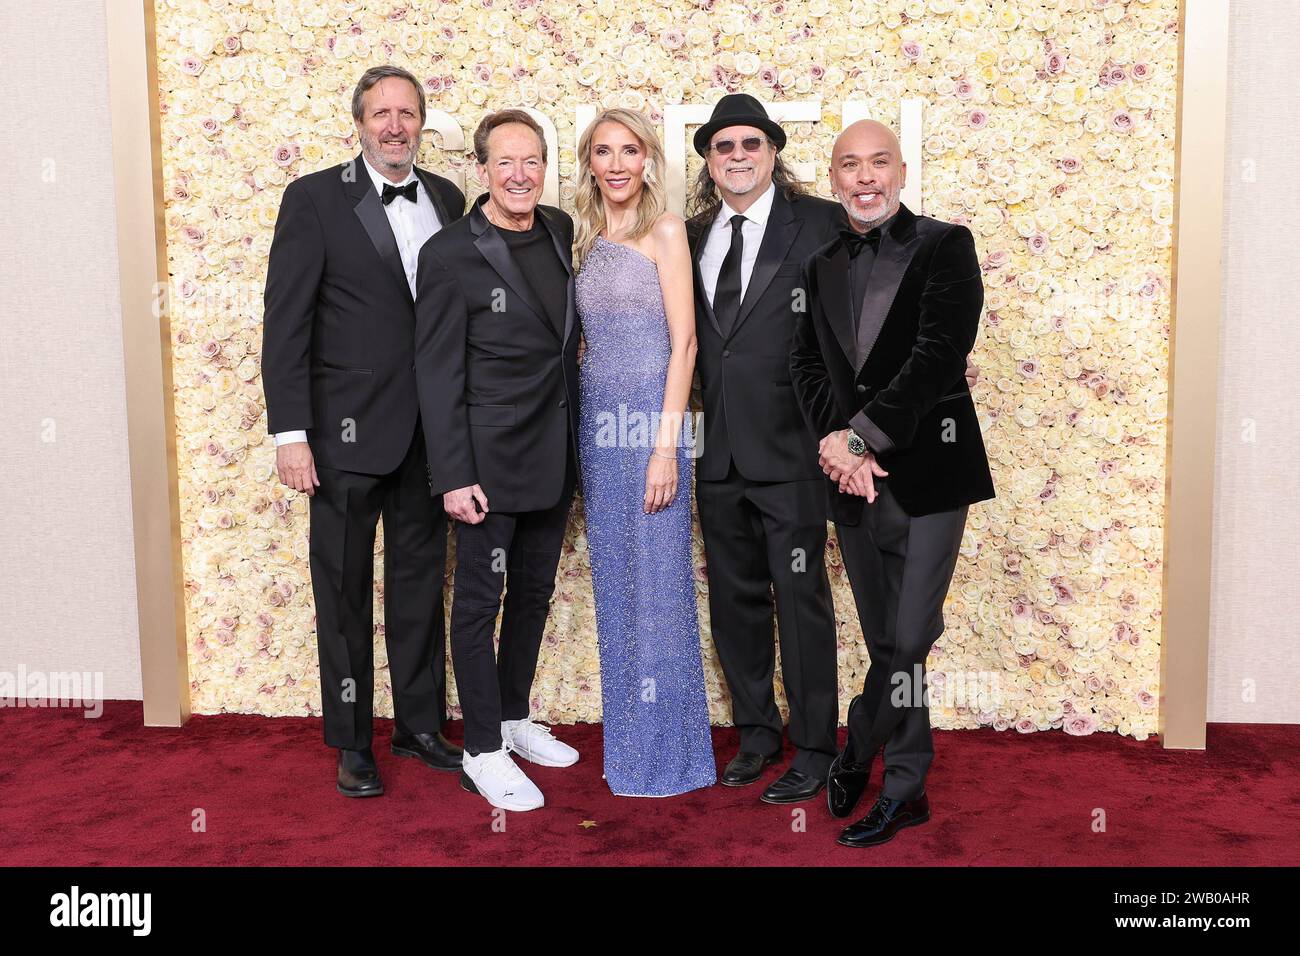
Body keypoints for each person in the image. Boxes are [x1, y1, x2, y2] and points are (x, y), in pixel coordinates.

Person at [790, 120, 996, 847]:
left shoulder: (946, 244)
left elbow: (942, 353)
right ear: (834, 177)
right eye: (850, 165)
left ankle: (868, 753)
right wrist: (840, 447)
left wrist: (861, 436)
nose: (865, 177)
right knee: (887, 642)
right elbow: (807, 367)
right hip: (853, 484)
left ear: (902, 170)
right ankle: (901, 778)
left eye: (879, 162)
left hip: (932, 475)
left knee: (910, 637)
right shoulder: (818, 266)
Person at [262, 66, 466, 798]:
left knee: (418, 587)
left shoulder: (445, 196)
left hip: (428, 439)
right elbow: (286, 322)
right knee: (343, 593)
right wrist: (290, 434)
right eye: (381, 113)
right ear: (359, 123)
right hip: (341, 439)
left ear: (421, 122)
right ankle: (352, 742)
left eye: (407, 113)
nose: (395, 126)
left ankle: (418, 727)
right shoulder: (314, 198)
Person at [414, 110, 580, 812]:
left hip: (553, 454)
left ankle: (514, 716)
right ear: (482, 170)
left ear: (546, 168)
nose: (520, 175)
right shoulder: (451, 252)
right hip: (485, 465)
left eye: (533, 161)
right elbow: (436, 371)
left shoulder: (560, 231)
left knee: (535, 594)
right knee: (482, 604)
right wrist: (452, 474)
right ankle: (483, 749)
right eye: (506, 162)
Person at [684, 94, 847, 804]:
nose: (739, 155)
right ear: (710, 162)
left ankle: (814, 746)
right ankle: (757, 733)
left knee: (801, 599)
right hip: (716, 453)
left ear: (773, 152)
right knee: (735, 599)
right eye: (724, 146)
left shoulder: (819, 224)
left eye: (751, 142)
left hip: (794, 453)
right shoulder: (689, 235)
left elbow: (852, 321)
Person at [573, 108, 715, 797]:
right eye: (605, 151)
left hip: (651, 431)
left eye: (630, 150)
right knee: (617, 589)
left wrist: (666, 450)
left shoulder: (665, 232)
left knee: (659, 591)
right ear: (590, 163)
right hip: (596, 431)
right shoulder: (583, 237)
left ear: (648, 159)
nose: (619, 163)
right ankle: (627, 748)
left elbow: (684, 345)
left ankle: (670, 757)